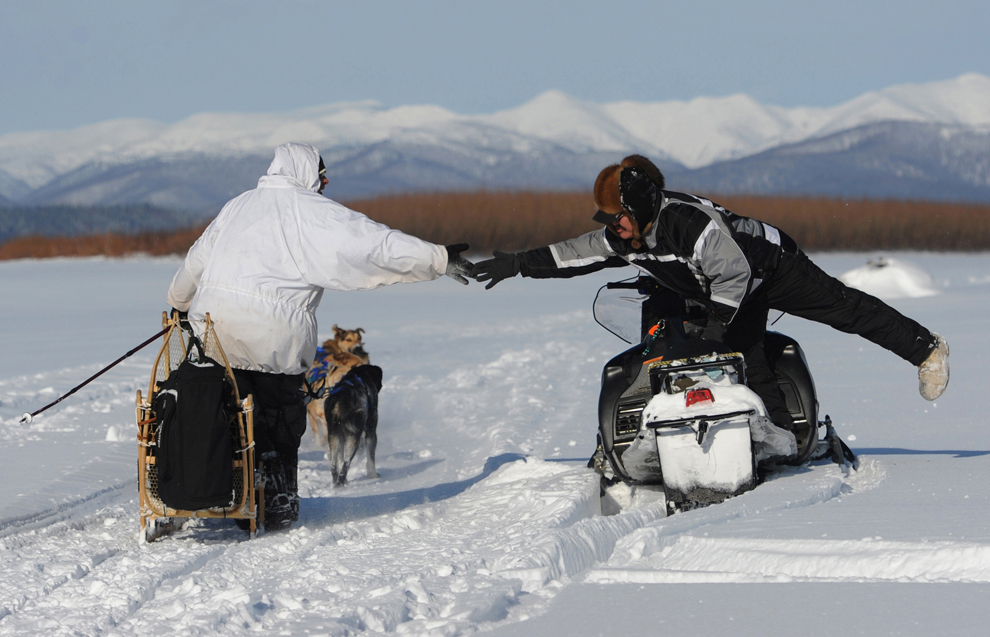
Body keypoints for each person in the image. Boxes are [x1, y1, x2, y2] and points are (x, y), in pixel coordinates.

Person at [472, 154, 949, 431]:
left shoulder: (685, 221)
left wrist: (717, 325)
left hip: (768, 265)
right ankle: (747, 431)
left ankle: (924, 350)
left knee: (837, 311)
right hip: (715, 282)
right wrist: (517, 263)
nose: (610, 228)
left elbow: (733, 273)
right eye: (606, 220)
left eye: (615, 216)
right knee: (710, 346)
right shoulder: (625, 237)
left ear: (638, 207)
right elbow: (573, 253)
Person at [167, 142, 474, 531]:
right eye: (322, 172)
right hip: (272, 339)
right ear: (304, 172)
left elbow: (197, 258)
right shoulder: (313, 213)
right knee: (278, 419)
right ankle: (275, 505)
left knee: (221, 411)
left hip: (214, 333)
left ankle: (215, 489)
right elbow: (375, 244)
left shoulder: (238, 205)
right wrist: (438, 258)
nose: (325, 180)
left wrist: (177, 303)